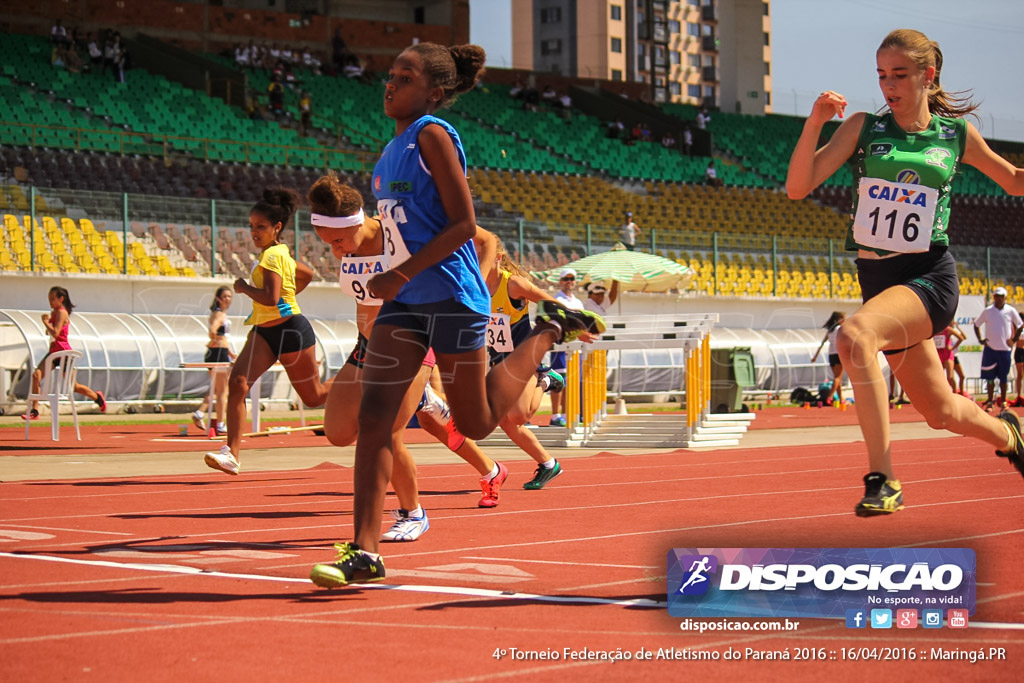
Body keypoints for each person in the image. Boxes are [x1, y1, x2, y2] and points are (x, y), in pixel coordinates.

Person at [309, 41, 604, 588]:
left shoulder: (431, 136)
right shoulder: (389, 150)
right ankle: (366, 552)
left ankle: (543, 334)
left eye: (404, 75)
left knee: (476, 422)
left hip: (450, 294)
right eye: (390, 73)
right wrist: (394, 280)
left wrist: (398, 272)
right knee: (375, 421)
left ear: (435, 92)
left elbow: (466, 226)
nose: (390, 82)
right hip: (404, 305)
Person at [784, 28, 1024, 517]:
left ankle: (883, 477)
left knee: (853, 336)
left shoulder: (955, 136)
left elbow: (1015, 182)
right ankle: (1010, 435)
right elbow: (797, 187)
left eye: (899, 75)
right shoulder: (862, 128)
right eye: (881, 76)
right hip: (878, 284)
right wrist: (814, 124)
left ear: (926, 75)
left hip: (928, 277)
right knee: (941, 413)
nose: (888, 85)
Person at [308, 173, 511, 537]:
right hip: (368, 347)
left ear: (359, 222)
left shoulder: (397, 232)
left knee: (385, 430)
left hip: (413, 343)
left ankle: (412, 513)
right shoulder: (347, 244)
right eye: (329, 245)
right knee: (338, 432)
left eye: (339, 241)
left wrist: (476, 286)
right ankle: (427, 401)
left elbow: (486, 239)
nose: (337, 251)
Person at [204, 189, 330, 476]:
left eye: (260, 227)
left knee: (315, 396)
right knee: (238, 382)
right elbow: (307, 273)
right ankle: (231, 454)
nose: (254, 232)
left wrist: (242, 287)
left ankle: (363, 378)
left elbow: (271, 298)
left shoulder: (273, 256)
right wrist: (290, 295)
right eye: (251, 226)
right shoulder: (280, 253)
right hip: (264, 331)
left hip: (289, 331)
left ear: (277, 228)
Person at [486, 238, 567, 490]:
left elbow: (549, 301)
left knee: (520, 414)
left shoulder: (513, 284)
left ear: (497, 259)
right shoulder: (473, 287)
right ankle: (548, 463)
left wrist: (568, 321)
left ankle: (545, 379)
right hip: (499, 360)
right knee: (507, 422)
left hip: (524, 358)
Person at [24, 286, 106, 420]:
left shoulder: (62, 312)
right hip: (53, 351)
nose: (50, 302)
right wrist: (49, 323)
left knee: (73, 387)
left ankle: (97, 397)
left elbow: (56, 334)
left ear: (61, 299)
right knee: (36, 375)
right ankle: (35, 410)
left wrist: (45, 322)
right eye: (49, 299)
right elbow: (50, 332)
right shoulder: (54, 313)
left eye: (52, 299)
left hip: (63, 352)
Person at [192, 286, 235, 435]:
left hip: (219, 352)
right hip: (218, 353)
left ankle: (199, 413)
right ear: (218, 299)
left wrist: (230, 352)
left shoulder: (221, 314)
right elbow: (213, 331)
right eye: (225, 297)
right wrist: (215, 339)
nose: (227, 299)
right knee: (223, 391)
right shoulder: (218, 315)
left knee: (218, 389)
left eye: (230, 296)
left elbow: (222, 337)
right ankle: (221, 423)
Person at [974, 287, 1023, 410]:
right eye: (996, 296)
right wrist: (980, 339)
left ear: (1005, 297)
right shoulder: (988, 311)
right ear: (994, 297)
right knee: (990, 378)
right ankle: (990, 402)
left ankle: (1003, 402)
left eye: (1001, 296)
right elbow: (976, 324)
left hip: (1005, 350)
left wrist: (1014, 340)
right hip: (990, 349)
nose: (998, 298)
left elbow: (1020, 325)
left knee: (1003, 378)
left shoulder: (1010, 311)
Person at [549, 267, 585, 427]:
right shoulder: (557, 300)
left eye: (572, 279)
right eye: (566, 279)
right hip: (560, 345)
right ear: (560, 282)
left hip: (575, 346)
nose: (569, 282)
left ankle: (565, 413)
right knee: (559, 380)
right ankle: (555, 415)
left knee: (571, 381)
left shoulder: (578, 302)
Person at [810, 311, 846, 406]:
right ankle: (830, 397)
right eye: (843, 319)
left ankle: (841, 399)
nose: (845, 321)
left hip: (831, 355)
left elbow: (822, 344)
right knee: (838, 377)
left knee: (837, 378)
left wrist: (815, 356)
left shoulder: (830, 330)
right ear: (838, 319)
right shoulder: (840, 329)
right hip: (838, 354)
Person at [934, 322, 966, 395]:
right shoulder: (934, 330)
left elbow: (961, 338)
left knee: (950, 377)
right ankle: (942, 394)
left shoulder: (948, 330)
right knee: (939, 377)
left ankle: (955, 393)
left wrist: (952, 348)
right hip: (938, 355)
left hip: (948, 355)